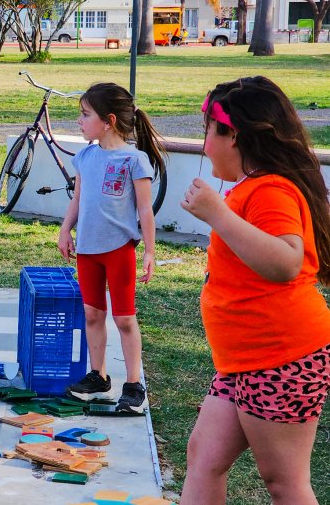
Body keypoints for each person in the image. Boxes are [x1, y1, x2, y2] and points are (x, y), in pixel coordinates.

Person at [180, 76, 330, 504]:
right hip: (244, 362)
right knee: (204, 457)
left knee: (284, 481)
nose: (204, 144)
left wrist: (216, 214)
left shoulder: (272, 189)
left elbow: (285, 263)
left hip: (283, 358)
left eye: (209, 130)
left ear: (235, 135)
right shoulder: (253, 188)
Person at [58, 82, 165, 413]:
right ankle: (98, 376)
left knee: (124, 319)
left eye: (85, 114)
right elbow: (77, 199)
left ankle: (133, 385)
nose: (79, 120)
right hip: (88, 250)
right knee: (92, 313)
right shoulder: (85, 157)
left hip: (118, 250)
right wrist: (65, 230)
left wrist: (149, 250)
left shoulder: (134, 160)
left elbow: (145, 209)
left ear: (108, 121)